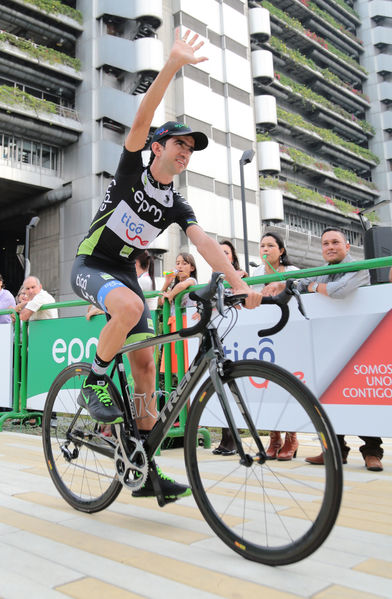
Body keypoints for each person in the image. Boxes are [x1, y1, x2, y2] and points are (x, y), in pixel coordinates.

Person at [70, 29, 261, 503]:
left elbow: (207, 246)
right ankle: (92, 382)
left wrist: (241, 282)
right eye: (179, 143)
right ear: (157, 147)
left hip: (125, 278)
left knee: (147, 372)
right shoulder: (133, 166)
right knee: (131, 310)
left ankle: (141, 465)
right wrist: (172, 65)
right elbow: (142, 116)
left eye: (191, 149)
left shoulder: (176, 203)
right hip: (90, 265)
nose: (185, 152)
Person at [297, 227, 383, 472]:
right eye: (325, 244)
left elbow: (339, 291)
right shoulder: (324, 271)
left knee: (363, 397)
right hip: (331, 343)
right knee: (329, 398)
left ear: (347, 247)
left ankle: (372, 452)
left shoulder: (358, 267)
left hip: (362, 343)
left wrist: (313, 287)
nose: (330, 247)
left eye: (335, 242)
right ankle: (335, 451)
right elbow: (300, 283)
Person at [252, 232, 300, 461]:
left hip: (288, 334)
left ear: (281, 250)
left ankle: (292, 437)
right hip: (264, 337)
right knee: (267, 386)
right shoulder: (256, 274)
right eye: (262, 245)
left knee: (287, 382)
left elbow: (305, 290)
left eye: (271, 245)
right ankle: (274, 438)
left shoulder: (292, 272)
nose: (265, 249)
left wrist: (280, 285)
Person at [213, 240, 247, 456]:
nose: (223, 256)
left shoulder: (240, 276)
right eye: (219, 253)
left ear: (233, 257)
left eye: (226, 253)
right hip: (219, 335)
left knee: (235, 385)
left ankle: (234, 439)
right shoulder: (213, 279)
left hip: (240, 335)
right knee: (220, 385)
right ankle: (227, 438)